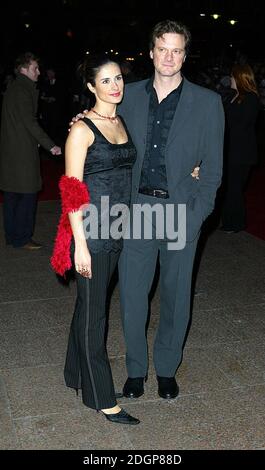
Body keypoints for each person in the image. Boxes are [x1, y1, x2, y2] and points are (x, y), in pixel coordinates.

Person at [73, 20, 224, 401]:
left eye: (177, 50)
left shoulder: (207, 102)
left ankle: (167, 369)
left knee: (176, 297)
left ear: (184, 55)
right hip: (136, 210)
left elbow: (215, 169)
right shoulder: (130, 94)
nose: (169, 57)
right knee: (133, 298)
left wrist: (196, 216)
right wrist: (79, 121)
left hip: (180, 212)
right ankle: (136, 370)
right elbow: (99, 120)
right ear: (152, 52)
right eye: (163, 49)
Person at [51, 54, 139, 425]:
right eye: (105, 81)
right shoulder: (82, 129)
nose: (115, 86)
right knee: (95, 315)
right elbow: (71, 190)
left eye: (118, 78)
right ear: (90, 87)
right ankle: (102, 398)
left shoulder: (119, 119)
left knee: (89, 305)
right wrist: (81, 245)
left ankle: (74, 374)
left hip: (118, 227)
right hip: (92, 233)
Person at [0, 52, 61, 249]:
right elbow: (29, 122)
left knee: (12, 196)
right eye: (35, 68)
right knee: (26, 195)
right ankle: (23, 238)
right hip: (22, 152)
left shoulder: (15, 88)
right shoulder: (22, 90)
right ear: (24, 69)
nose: (38, 72)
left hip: (13, 150)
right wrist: (50, 145)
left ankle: (13, 237)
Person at [220, 64, 260, 233]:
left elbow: (240, 124)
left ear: (240, 78)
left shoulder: (251, 98)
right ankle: (229, 221)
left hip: (241, 153)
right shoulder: (233, 96)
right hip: (231, 151)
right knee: (230, 188)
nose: (231, 79)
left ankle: (235, 223)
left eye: (233, 76)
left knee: (234, 189)